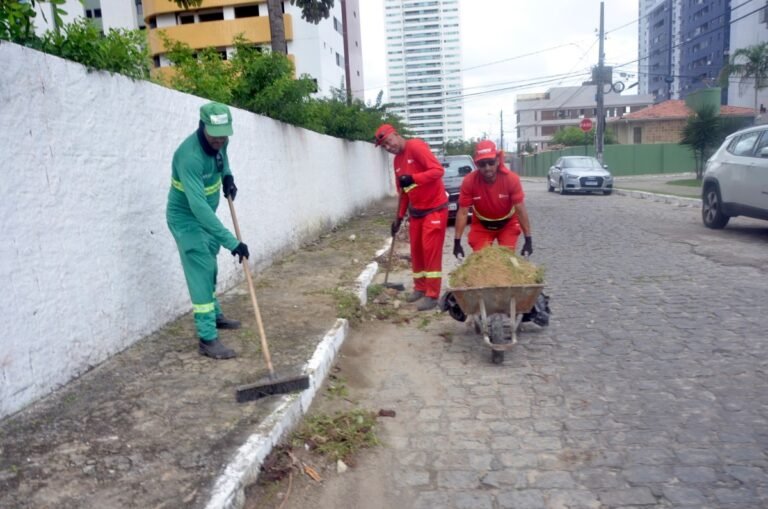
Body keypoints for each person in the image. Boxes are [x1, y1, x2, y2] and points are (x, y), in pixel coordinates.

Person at [166, 102, 250, 359]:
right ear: (202, 126)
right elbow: (198, 208)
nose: (220, 139)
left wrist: (228, 177)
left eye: (224, 133)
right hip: (187, 220)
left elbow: (223, 161)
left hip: (207, 218)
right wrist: (232, 242)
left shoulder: (220, 140)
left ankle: (214, 314)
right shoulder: (188, 157)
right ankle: (207, 338)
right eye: (215, 133)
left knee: (211, 266)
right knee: (201, 269)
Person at [374, 123, 449, 311]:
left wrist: (414, 178)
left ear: (396, 135)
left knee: (430, 251)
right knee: (417, 252)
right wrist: (398, 218)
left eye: (389, 142)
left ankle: (432, 295)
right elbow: (404, 192)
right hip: (416, 213)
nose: (389, 147)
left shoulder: (415, 146)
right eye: (385, 146)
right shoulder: (397, 162)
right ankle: (420, 288)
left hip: (434, 209)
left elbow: (438, 171)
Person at [453, 140, 532, 259]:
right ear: (477, 164)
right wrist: (457, 242)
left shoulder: (511, 179)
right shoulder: (469, 181)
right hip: (481, 225)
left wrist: (528, 239)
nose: (487, 168)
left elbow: (520, 210)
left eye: (491, 162)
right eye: (482, 164)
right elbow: (463, 212)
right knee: (482, 260)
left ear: (498, 161)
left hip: (507, 224)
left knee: (507, 260)